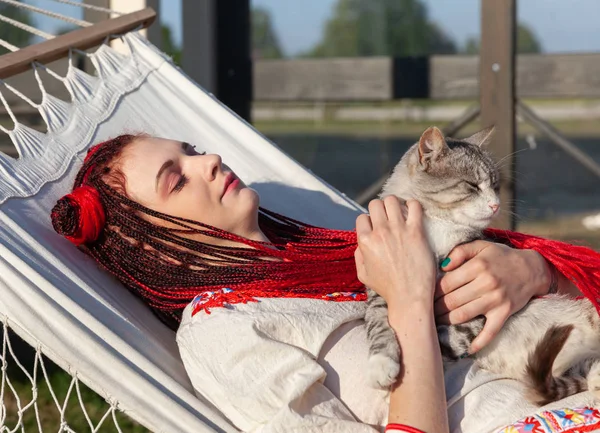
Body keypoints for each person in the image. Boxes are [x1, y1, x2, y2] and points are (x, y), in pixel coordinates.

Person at [51, 134, 600, 432]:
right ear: (148, 244)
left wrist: (535, 271)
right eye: (178, 177)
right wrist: (408, 302)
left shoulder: (340, 253)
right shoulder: (222, 329)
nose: (211, 159)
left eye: (193, 150)